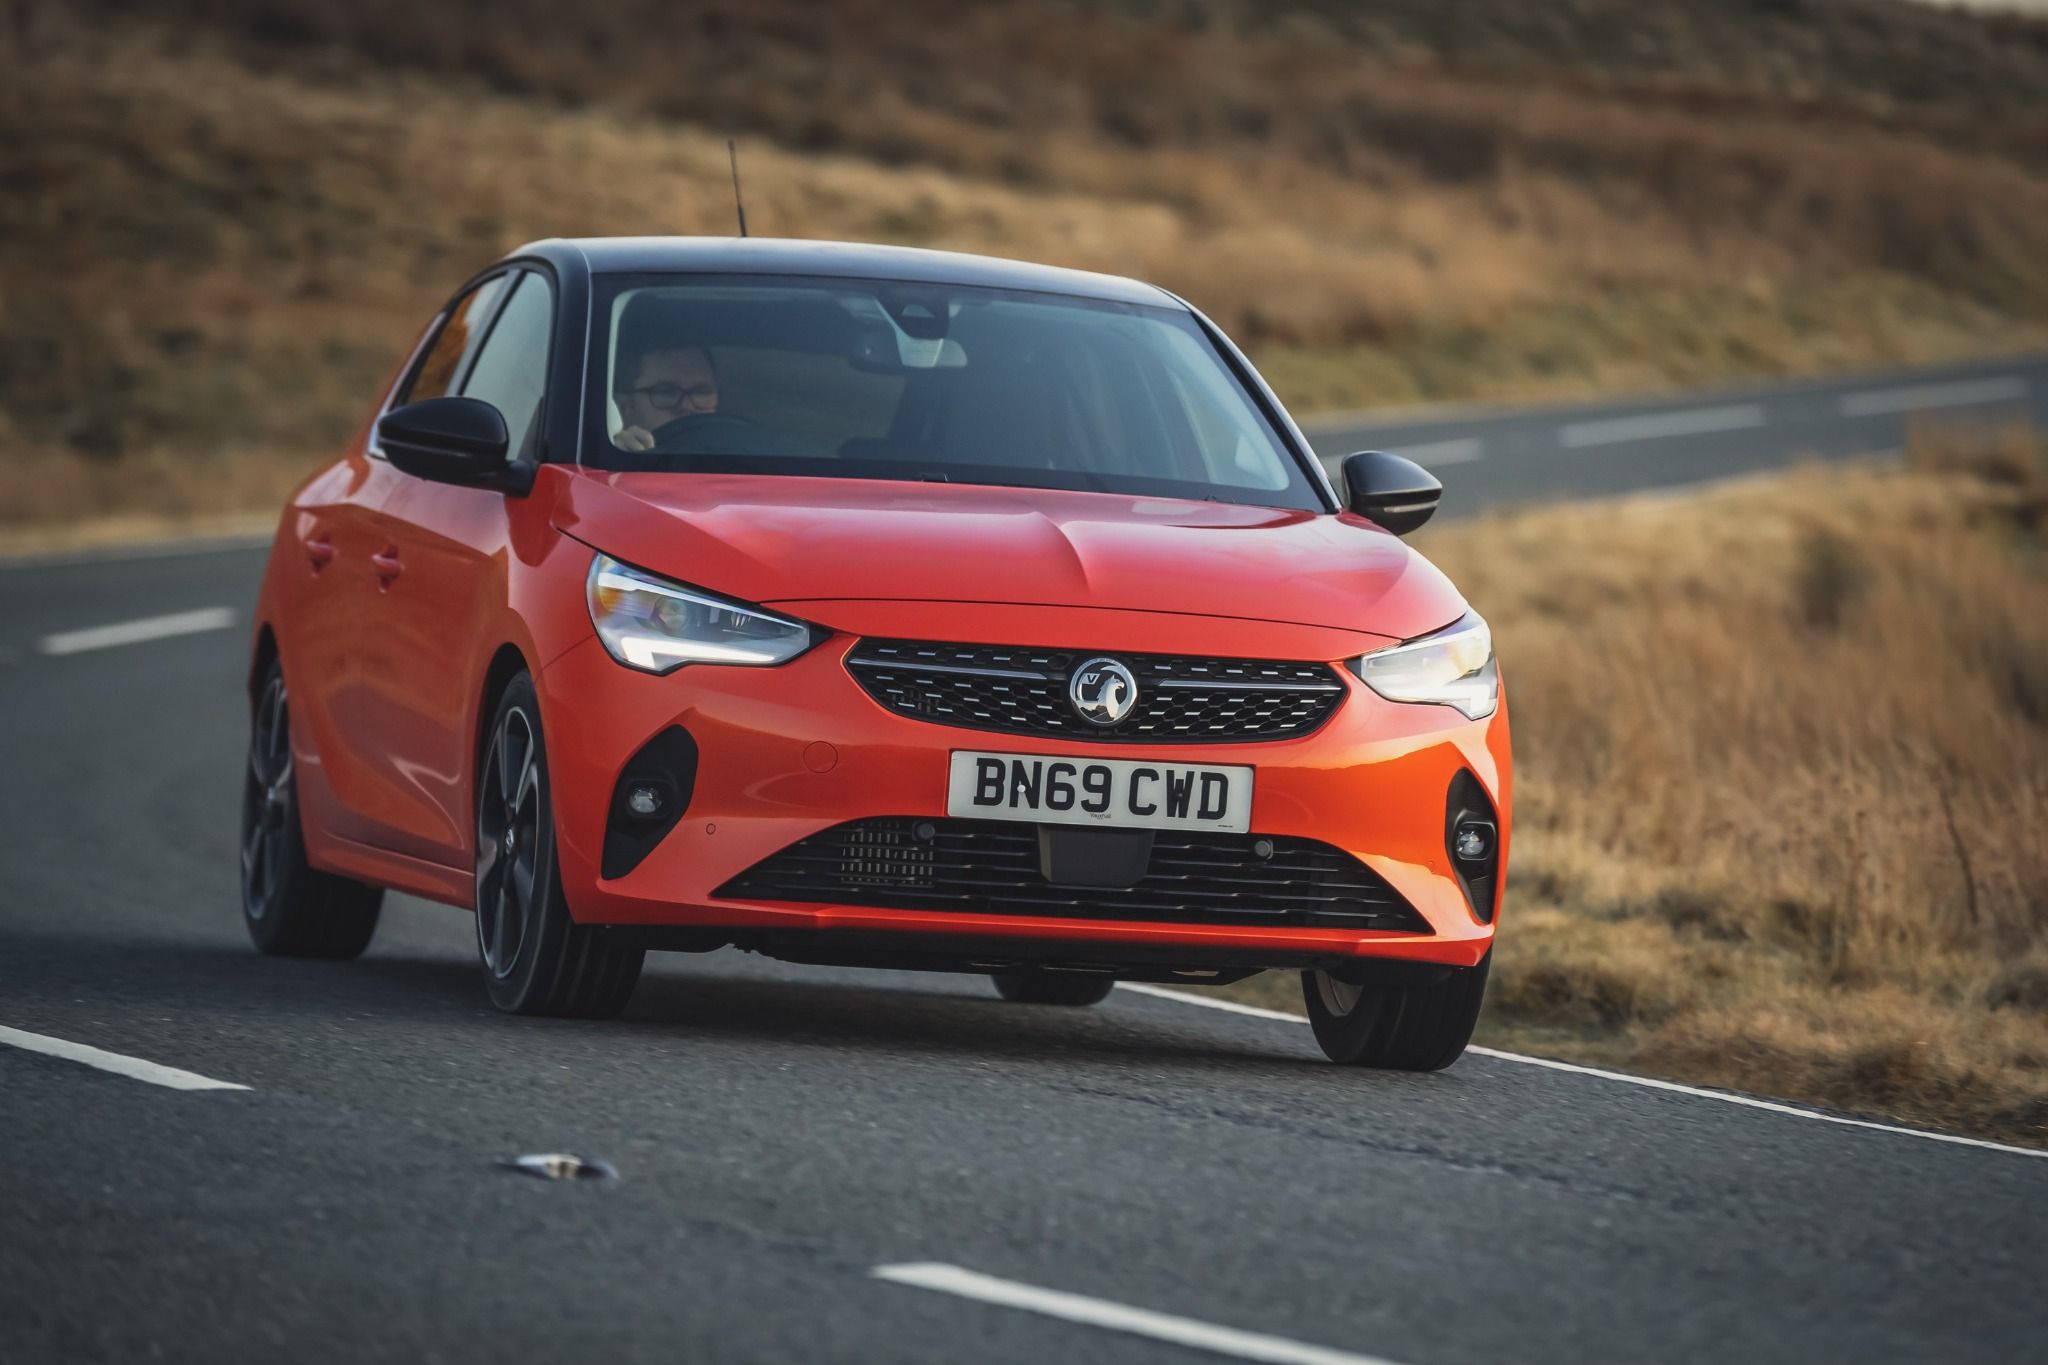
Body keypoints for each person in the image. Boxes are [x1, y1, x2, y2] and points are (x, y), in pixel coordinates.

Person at [614, 341, 720, 452]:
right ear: (624, 406)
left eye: (701, 392)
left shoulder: (737, 459)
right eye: (666, 392)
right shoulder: (609, 463)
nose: (687, 406)